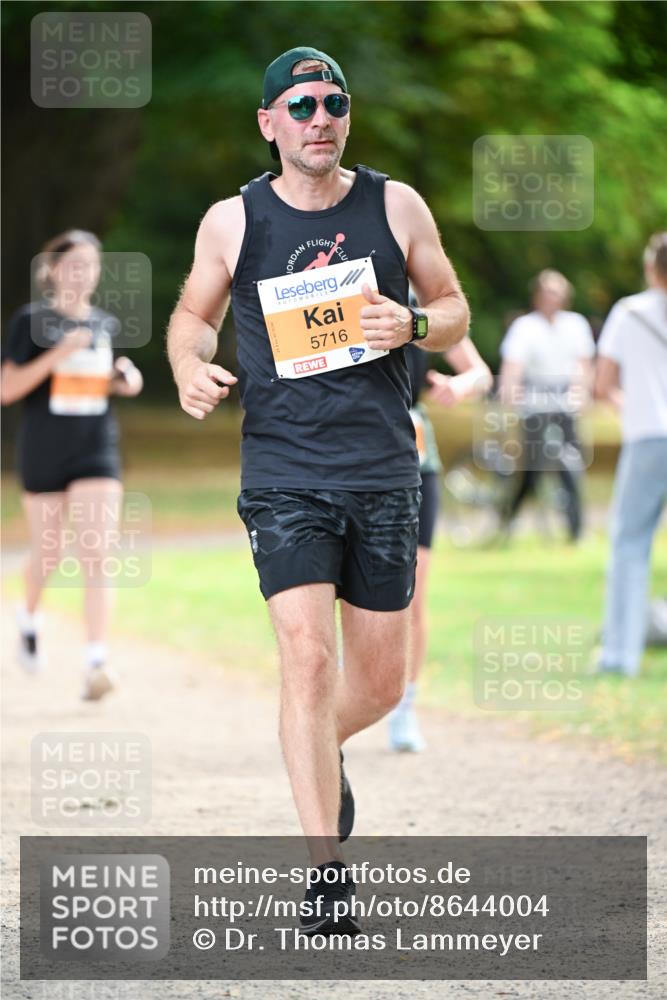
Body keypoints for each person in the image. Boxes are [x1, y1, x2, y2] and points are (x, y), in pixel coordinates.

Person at [166, 46, 470, 933]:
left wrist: (412, 321)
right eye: (299, 105)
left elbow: (452, 306)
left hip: (383, 468)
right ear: (269, 123)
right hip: (284, 472)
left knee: (381, 683)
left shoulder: (395, 204)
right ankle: (326, 871)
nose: (319, 118)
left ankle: (316, 750)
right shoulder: (234, 220)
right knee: (305, 661)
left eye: (333, 102)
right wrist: (189, 363)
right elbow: (191, 312)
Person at [1, 229, 143, 700]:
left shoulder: (104, 323)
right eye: (74, 263)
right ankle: (28, 617)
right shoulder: (31, 321)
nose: (84, 273)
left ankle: (96, 661)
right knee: (49, 552)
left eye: (92, 265)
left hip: (95, 447)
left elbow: (102, 379)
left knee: (98, 552)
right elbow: (8, 389)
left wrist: (124, 379)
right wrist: (57, 355)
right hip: (44, 449)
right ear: (54, 269)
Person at [388, 316, 491, 753]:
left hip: (415, 457)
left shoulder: (421, 304)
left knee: (414, 592)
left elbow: (480, 371)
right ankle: (344, 692)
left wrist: (461, 385)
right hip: (347, 455)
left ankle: (405, 708)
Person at [595, 232, 667, 677]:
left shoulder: (630, 312)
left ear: (649, 267)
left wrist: (635, 403)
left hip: (646, 437)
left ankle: (620, 655)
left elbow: (604, 385)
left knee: (629, 546)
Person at [498, 270, 595, 541]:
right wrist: (510, 392)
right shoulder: (526, 327)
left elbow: (584, 364)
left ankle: (576, 530)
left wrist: (581, 392)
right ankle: (508, 519)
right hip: (535, 403)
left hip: (565, 402)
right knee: (532, 469)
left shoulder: (575, 325)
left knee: (570, 463)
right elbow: (513, 366)